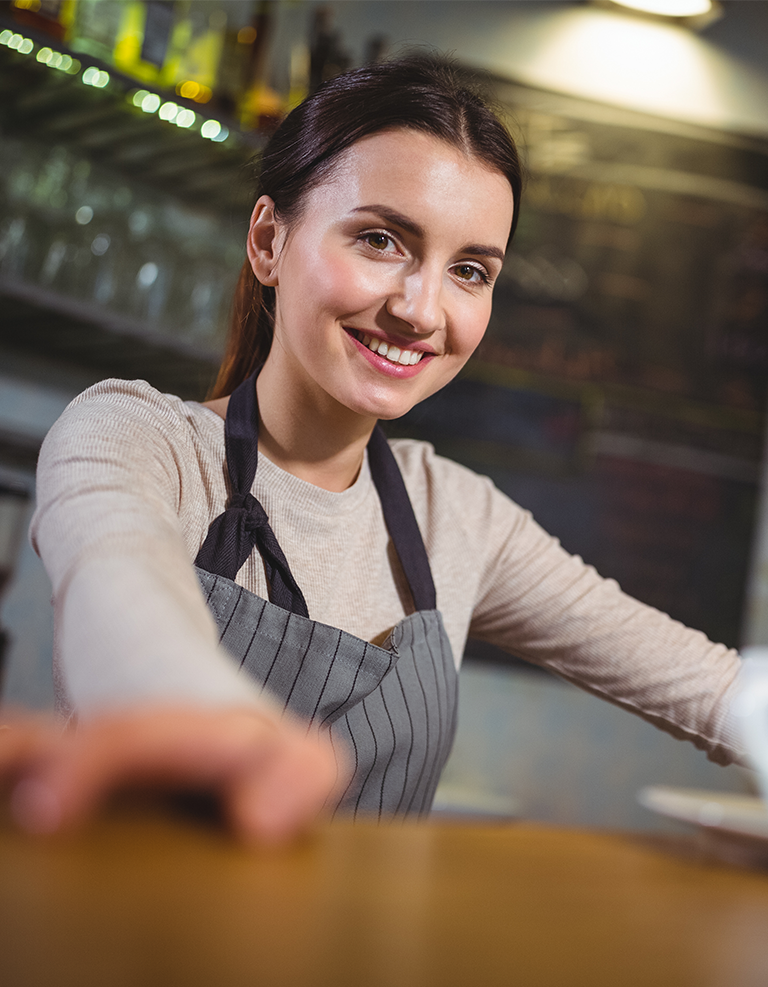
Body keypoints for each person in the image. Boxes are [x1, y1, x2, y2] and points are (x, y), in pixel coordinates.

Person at [0, 57, 744, 844]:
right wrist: (216, 723)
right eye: (381, 239)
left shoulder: (458, 516)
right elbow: (118, 592)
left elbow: (714, 692)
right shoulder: (140, 438)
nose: (422, 310)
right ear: (268, 241)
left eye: (468, 271)